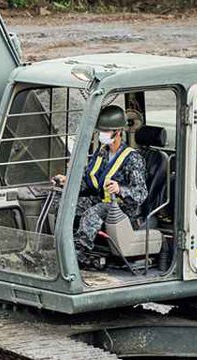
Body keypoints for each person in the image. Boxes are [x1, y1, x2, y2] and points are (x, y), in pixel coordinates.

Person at [52, 107, 148, 268]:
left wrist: (120, 189)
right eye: (100, 130)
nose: (101, 134)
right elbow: (90, 181)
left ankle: (75, 255)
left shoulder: (132, 158)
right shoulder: (102, 152)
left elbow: (141, 193)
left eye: (106, 131)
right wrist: (67, 182)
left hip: (122, 206)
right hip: (100, 199)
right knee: (62, 203)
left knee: (92, 213)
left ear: (118, 132)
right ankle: (57, 246)